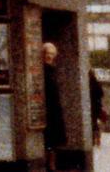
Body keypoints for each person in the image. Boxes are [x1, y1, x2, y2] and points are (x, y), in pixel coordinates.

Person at [43, 42, 66, 172]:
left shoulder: (53, 69)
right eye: (47, 53)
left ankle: (52, 163)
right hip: (47, 108)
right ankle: (50, 164)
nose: (49, 56)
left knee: (53, 140)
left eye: (52, 54)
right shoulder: (44, 70)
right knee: (50, 139)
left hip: (54, 108)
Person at [89, 68, 105, 148]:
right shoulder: (97, 83)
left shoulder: (87, 84)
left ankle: (92, 139)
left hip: (91, 106)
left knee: (91, 123)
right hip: (97, 105)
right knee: (96, 123)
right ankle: (98, 137)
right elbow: (101, 94)